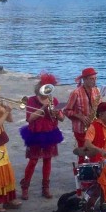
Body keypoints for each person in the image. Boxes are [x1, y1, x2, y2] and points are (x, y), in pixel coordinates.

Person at [20, 72, 64, 200]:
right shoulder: (31, 100)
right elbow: (30, 118)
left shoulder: (54, 100)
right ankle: (25, 187)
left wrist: (57, 113)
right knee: (33, 161)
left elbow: (61, 118)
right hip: (36, 133)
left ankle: (45, 188)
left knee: (47, 160)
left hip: (50, 133)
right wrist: (44, 107)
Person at [63, 67, 100, 165]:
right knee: (83, 153)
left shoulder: (96, 90)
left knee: (95, 152)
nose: (94, 81)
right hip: (80, 128)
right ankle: (82, 175)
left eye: (95, 78)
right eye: (91, 79)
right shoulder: (76, 93)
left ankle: (94, 173)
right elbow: (66, 110)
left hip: (94, 127)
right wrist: (81, 117)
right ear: (84, 80)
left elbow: (98, 107)